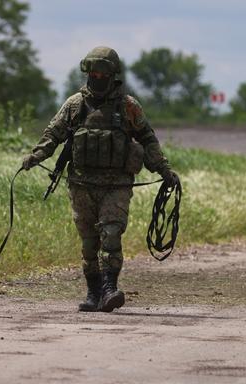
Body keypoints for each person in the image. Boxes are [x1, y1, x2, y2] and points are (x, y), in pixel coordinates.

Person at [21, 46, 178, 312]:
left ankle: (109, 289)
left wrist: (164, 170)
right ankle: (93, 292)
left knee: (111, 233)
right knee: (88, 243)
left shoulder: (128, 107)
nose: (98, 77)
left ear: (112, 74)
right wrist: (35, 157)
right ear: (87, 73)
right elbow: (53, 134)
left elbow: (148, 139)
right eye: (93, 72)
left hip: (116, 186)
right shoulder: (75, 105)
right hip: (82, 185)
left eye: (103, 72)